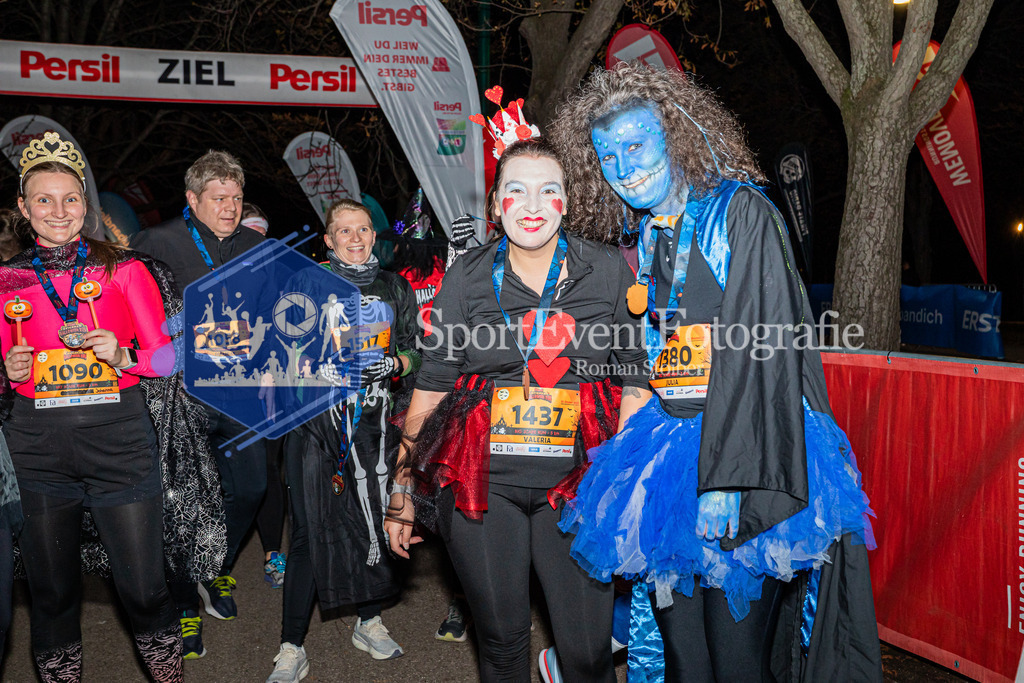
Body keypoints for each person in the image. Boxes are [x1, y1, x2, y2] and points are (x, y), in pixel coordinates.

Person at [549, 63, 881, 681]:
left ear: (673, 133)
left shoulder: (741, 213)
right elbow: (655, 356)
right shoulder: (648, 234)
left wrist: (727, 479)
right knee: (685, 662)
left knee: (737, 664)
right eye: (606, 155)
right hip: (670, 456)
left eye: (636, 144)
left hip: (747, 454)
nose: (623, 166)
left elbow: (765, 352)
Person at [385, 135, 651, 682]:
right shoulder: (467, 275)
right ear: (494, 203)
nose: (532, 206)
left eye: (548, 190)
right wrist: (402, 486)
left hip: (579, 483)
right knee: (503, 646)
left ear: (567, 201)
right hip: (481, 482)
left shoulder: (604, 269)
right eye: (517, 191)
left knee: (586, 654)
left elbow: (635, 374)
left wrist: (621, 475)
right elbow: (433, 385)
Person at [1, 131, 184, 681]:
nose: (59, 211)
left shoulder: (125, 270)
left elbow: (167, 360)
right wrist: (5, 372)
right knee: (52, 597)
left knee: (144, 591)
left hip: (119, 444)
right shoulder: (6, 280)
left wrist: (124, 353)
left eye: (70, 198)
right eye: (44, 199)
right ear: (22, 206)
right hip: (37, 451)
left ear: (87, 203)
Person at [265, 198, 421, 682]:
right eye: (344, 232)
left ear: (374, 236)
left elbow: (416, 352)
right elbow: (278, 357)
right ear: (328, 241)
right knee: (311, 532)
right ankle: (292, 646)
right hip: (317, 429)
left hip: (375, 427)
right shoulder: (305, 284)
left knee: (370, 524)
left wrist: (395, 365)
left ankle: (368, 619)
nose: (355, 239)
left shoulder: (395, 287)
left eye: (363, 230)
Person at [131, 149, 266, 659]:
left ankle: (212, 567)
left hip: (241, 391)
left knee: (252, 488)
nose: (230, 208)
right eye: (218, 198)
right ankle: (186, 605)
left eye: (236, 198)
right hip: (179, 393)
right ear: (192, 199)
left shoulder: (256, 243)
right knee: (181, 500)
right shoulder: (156, 242)